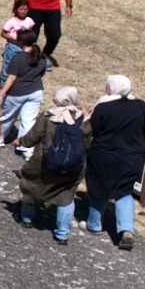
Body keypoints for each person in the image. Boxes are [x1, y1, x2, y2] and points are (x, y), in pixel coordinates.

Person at [82, 74, 145, 250]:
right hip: (132, 157)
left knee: (99, 188)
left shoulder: (103, 107)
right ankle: (126, 230)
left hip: (104, 156)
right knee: (125, 192)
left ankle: (94, 224)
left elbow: (93, 130)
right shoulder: (141, 106)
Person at [15, 86, 90, 242]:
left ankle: (26, 218)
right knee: (66, 196)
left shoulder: (48, 116)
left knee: (31, 186)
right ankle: (63, 234)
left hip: (45, 162)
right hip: (73, 166)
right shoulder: (82, 119)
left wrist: (19, 141)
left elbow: (31, 139)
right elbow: (88, 144)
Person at [0, 29, 48, 151]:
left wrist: (1, 94)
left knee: (8, 117)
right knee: (28, 121)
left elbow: (12, 78)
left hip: (17, 93)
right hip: (36, 92)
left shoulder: (18, 57)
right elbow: (41, 74)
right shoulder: (41, 57)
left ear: (20, 42)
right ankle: (26, 148)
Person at [0, 5, 37, 77]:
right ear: (16, 10)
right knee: (8, 64)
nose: (23, 11)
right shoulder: (11, 21)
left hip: (24, 47)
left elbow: (30, 31)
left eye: (25, 9)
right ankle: (4, 80)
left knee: (22, 64)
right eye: (21, 9)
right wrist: (16, 39)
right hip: (13, 46)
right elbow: (3, 34)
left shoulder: (29, 20)